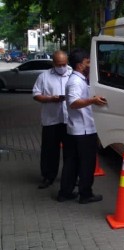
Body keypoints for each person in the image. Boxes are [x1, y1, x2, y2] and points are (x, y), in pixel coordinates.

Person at [57, 48, 107, 203]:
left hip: (76, 129)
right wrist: (92, 100)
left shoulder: (79, 80)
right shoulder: (75, 82)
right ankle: (85, 194)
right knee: (86, 163)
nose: (90, 65)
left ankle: (65, 192)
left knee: (72, 163)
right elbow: (73, 103)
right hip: (83, 131)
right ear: (80, 65)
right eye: (88, 62)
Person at [32, 50, 72, 189]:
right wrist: (50, 98)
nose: (62, 67)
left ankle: (71, 177)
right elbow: (36, 94)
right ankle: (48, 176)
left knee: (71, 151)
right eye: (59, 64)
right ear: (53, 63)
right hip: (51, 120)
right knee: (49, 150)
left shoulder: (73, 75)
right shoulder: (44, 76)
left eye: (64, 64)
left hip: (69, 120)